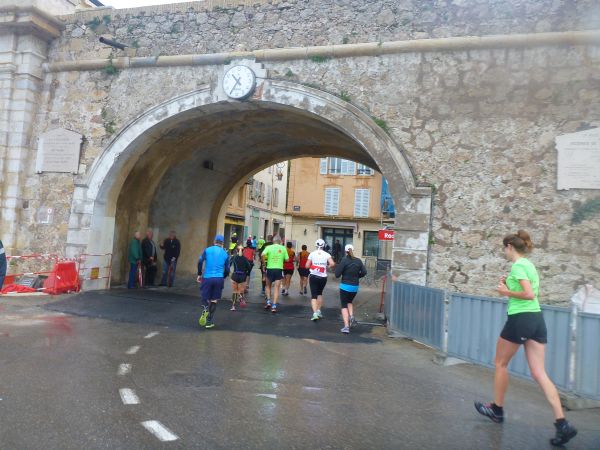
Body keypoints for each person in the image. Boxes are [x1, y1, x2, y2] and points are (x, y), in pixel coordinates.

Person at [474, 230, 577, 446]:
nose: (504, 252)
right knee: (539, 373)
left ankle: (497, 409)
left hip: (521, 318)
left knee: (500, 363)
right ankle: (562, 424)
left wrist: (505, 292)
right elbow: (529, 292)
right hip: (536, 320)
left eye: (504, 248)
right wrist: (509, 286)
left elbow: (529, 294)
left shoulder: (518, 266)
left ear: (510, 247)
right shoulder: (529, 265)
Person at [197, 234, 230, 329]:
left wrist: (199, 274)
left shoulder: (207, 250)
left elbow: (200, 261)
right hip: (218, 278)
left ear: (214, 241)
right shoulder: (225, 254)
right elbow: (227, 269)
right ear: (222, 243)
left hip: (207, 277)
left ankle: (205, 308)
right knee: (214, 300)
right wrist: (223, 277)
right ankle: (209, 322)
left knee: (205, 297)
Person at [334, 244, 367, 333]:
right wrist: (357, 276)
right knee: (349, 302)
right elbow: (364, 272)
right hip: (355, 287)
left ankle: (346, 327)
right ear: (353, 250)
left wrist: (339, 269)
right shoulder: (358, 261)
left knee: (344, 305)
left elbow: (337, 275)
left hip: (345, 286)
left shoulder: (344, 260)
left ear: (345, 251)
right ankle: (351, 317)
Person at [306, 238, 335, 321]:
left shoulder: (312, 254)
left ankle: (315, 313)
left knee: (313, 296)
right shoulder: (326, 254)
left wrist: (313, 266)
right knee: (319, 294)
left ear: (316, 245)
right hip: (323, 277)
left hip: (313, 276)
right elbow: (332, 263)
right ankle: (318, 311)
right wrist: (326, 267)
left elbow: (307, 266)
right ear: (324, 246)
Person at [261, 235, 288, 313]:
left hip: (270, 269)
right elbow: (287, 259)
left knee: (268, 286)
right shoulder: (283, 248)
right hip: (279, 269)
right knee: (276, 288)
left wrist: (264, 264)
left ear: (273, 241)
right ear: (280, 241)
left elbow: (262, 255)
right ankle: (274, 306)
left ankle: (268, 302)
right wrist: (281, 258)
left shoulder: (269, 247)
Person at [230, 245, 251, 311]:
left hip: (235, 275)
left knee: (234, 291)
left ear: (236, 250)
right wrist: (247, 273)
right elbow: (249, 268)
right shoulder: (245, 259)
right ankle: (240, 296)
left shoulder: (234, 258)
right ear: (243, 251)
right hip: (242, 276)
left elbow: (229, 264)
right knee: (241, 290)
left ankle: (233, 306)